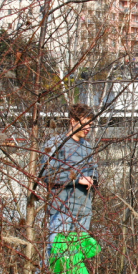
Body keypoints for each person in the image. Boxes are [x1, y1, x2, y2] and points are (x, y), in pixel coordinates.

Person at [41, 104, 98, 256]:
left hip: (83, 211)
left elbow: (94, 172)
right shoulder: (55, 144)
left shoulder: (87, 147)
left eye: (91, 125)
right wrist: (78, 179)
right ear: (73, 121)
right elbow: (47, 174)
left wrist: (92, 179)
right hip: (61, 210)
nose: (88, 128)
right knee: (56, 256)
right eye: (86, 124)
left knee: (76, 259)